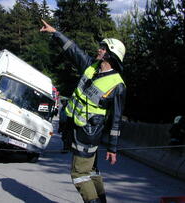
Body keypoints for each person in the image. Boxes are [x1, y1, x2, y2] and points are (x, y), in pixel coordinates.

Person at [40, 19, 126, 203]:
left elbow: (116, 120)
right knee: (92, 172)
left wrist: (112, 147)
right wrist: (55, 32)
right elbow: (73, 51)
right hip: (77, 128)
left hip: (89, 133)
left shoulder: (118, 85)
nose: (99, 49)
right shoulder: (91, 67)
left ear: (110, 55)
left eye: (103, 48)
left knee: (79, 174)